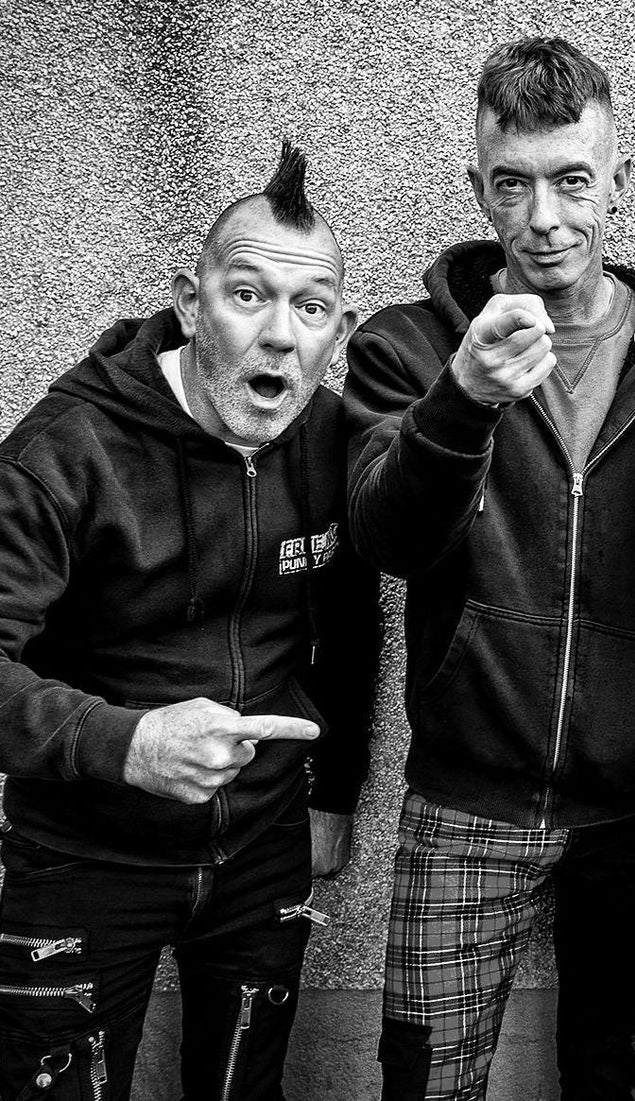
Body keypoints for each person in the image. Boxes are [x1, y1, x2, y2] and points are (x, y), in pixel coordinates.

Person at [343, 35, 635, 1101]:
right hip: (466, 802)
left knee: (610, 1074)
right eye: (512, 184)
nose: (544, 218)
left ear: (618, 183)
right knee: (426, 1081)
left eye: (572, 181)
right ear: (479, 190)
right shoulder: (410, 348)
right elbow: (383, 536)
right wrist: (462, 401)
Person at [0, 141, 379, 1101]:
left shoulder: (329, 436)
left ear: (338, 329)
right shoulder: (66, 453)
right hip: (85, 853)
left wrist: (333, 792)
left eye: (311, 307)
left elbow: (351, 620)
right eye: (248, 294)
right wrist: (126, 743)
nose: (280, 336)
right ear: (188, 302)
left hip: (261, 849)